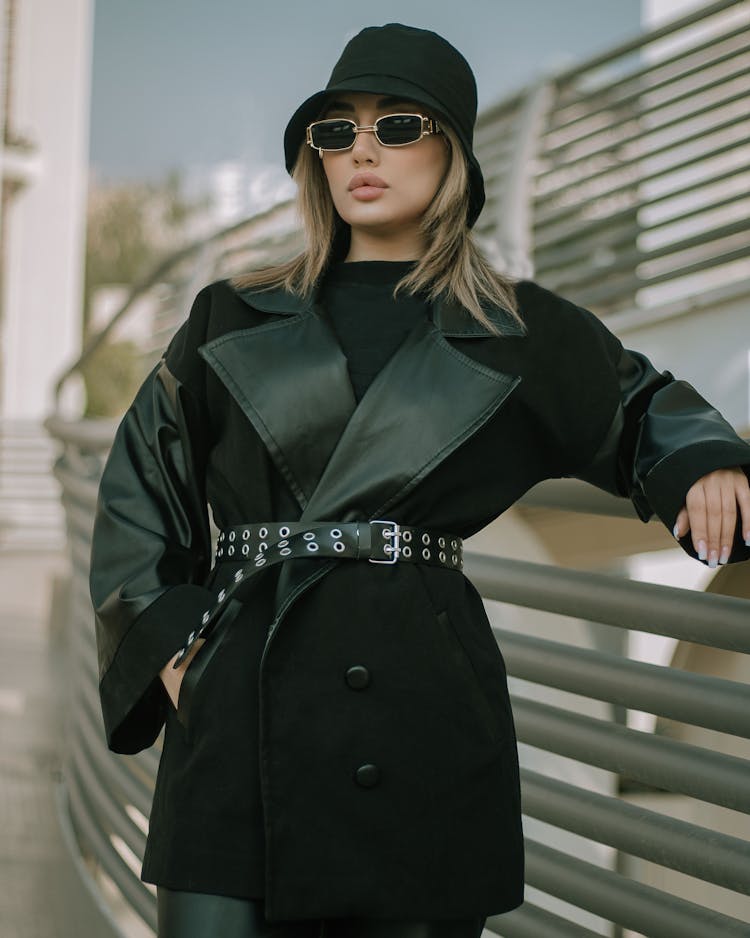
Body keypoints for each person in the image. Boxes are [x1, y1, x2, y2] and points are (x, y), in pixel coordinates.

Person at [89, 22, 750, 938]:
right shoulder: (229, 316)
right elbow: (139, 485)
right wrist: (170, 653)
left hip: (417, 717)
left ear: (454, 153)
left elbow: (640, 406)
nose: (363, 149)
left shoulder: (519, 328)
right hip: (237, 716)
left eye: (398, 125)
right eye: (337, 130)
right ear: (315, 159)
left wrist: (702, 458)